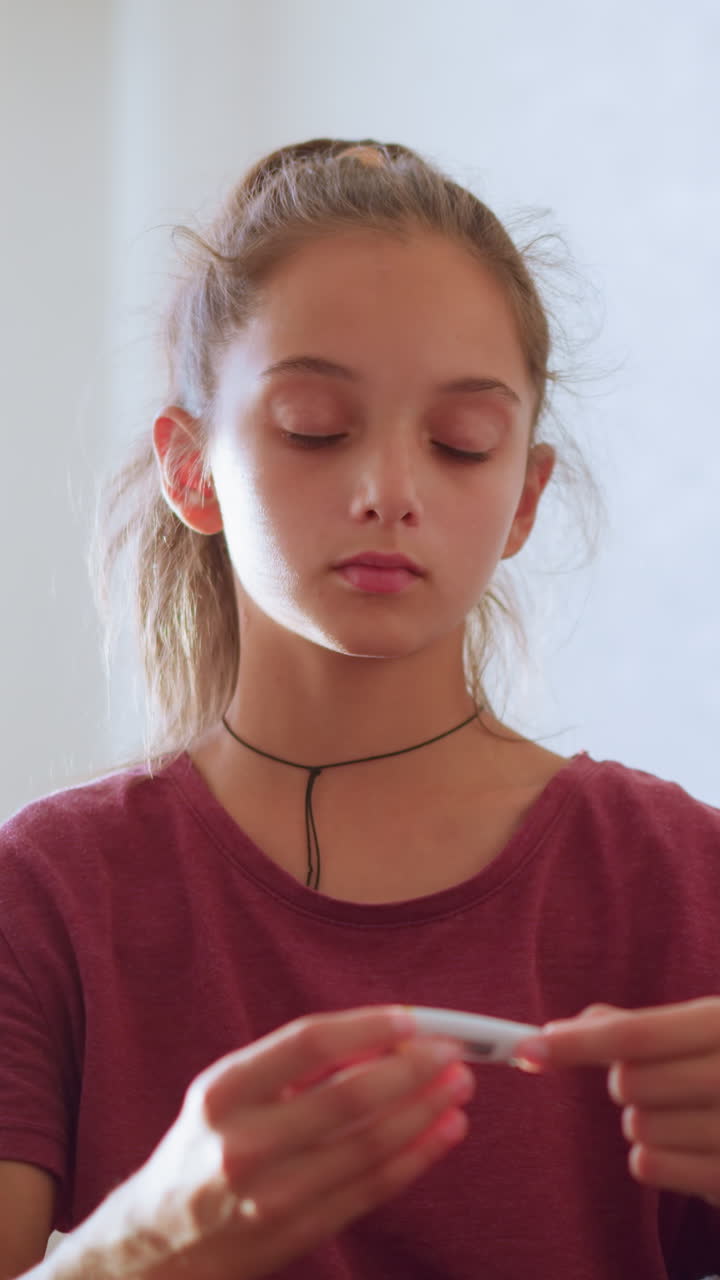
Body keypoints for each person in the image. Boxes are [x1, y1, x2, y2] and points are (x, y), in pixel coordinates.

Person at [1, 137, 719, 1280]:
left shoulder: (677, 874)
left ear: (524, 496)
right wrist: (134, 1249)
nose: (390, 489)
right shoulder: (48, 890)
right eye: (315, 427)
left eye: (461, 443)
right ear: (191, 470)